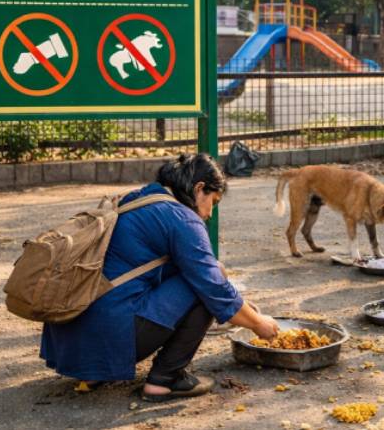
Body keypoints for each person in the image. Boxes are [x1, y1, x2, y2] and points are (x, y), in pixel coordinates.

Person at [40, 154, 280, 400]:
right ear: (199, 189)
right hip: (111, 333)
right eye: (213, 202)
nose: (209, 213)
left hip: (71, 342)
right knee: (208, 282)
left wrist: (241, 307)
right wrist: (257, 323)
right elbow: (213, 286)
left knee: (205, 276)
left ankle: (94, 372)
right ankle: (166, 379)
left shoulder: (138, 199)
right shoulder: (182, 218)